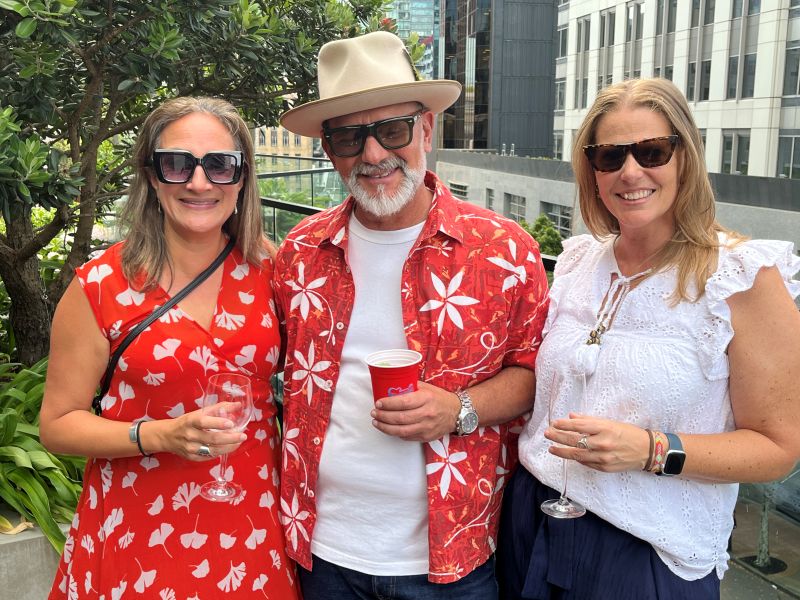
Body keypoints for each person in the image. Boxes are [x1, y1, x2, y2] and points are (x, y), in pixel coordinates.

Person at [496, 77, 800, 599]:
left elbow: (778, 449)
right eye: (610, 156)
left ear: (686, 157)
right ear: (592, 170)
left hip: (647, 554)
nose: (631, 171)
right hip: (533, 520)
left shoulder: (742, 278)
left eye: (653, 151)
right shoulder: (576, 262)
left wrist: (652, 450)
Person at [273, 31, 550, 599]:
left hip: (454, 558)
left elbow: (534, 372)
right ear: (330, 150)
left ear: (426, 129)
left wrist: (459, 409)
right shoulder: (299, 251)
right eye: (350, 137)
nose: (374, 154)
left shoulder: (504, 249)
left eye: (393, 130)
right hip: (321, 553)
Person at [39, 97, 299, 599]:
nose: (199, 183)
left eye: (220, 165)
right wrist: (160, 435)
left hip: (251, 528)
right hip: (137, 530)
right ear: (152, 176)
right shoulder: (101, 285)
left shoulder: (274, 271)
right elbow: (57, 424)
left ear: (242, 178)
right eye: (177, 164)